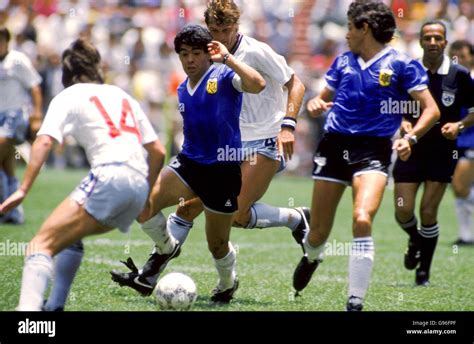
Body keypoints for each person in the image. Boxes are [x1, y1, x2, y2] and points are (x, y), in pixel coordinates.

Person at [111, 0, 308, 296]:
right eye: (214, 30)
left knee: (238, 215)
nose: (221, 36)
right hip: (227, 148)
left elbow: (296, 84)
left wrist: (288, 125)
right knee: (188, 209)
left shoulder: (254, 52)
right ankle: (149, 274)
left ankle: (296, 218)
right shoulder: (207, 55)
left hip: (264, 141)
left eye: (226, 30)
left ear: (237, 26)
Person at [294, 1, 440, 311]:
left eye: (349, 27)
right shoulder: (343, 61)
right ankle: (312, 255)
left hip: (373, 150)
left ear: (365, 28)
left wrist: (410, 137)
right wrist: (315, 105)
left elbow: (431, 109)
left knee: (361, 218)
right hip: (333, 146)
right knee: (318, 234)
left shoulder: (402, 64)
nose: (345, 34)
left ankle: (355, 300)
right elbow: (319, 101)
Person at [0, 38, 166, 311]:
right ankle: (54, 307)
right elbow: (158, 150)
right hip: (137, 185)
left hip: (110, 176)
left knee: (39, 245)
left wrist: (22, 189)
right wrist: (146, 195)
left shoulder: (69, 94)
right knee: (70, 237)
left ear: (69, 75)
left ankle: (27, 320)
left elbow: (43, 142)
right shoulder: (122, 95)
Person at [117, 24, 265, 303]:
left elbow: (258, 84)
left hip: (222, 170)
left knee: (217, 245)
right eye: (184, 54)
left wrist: (229, 59)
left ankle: (227, 283)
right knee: (142, 204)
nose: (189, 60)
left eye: (196, 53)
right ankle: (167, 248)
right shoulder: (183, 88)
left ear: (209, 53)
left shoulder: (224, 74)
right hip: (189, 164)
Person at [394, 22, 474, 287]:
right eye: (427, 37)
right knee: (402, 212)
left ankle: (423, 273)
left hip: (442, 152)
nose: (432, 42)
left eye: (437, 37)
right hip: (410, 149)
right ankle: (416, 240)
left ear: (445, 42)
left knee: (428, 212)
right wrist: (404, 122)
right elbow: (398, 106)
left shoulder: (459, 74)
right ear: (419, 41)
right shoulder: (409, 70)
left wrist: (459, 125)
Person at [0, 26, 42, 224]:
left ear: (7, 41)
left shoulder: (17, 60)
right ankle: (13, 213)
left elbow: (34, 87)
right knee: (6, 165)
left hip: (14, 116)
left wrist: (36, 115)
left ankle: (6, 209)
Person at [449, 40, 474, 246]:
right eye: (454, 56)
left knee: (460, 184)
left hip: (471, 141)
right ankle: (466, 235)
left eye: (463, 56)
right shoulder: (451, 80)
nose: (458, 60)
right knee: (458, 189)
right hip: (456, 141)